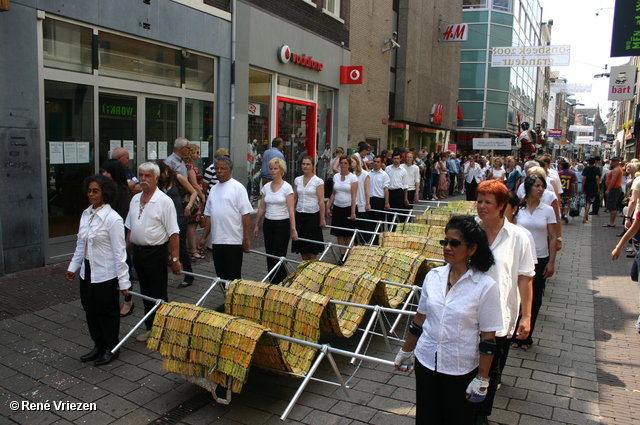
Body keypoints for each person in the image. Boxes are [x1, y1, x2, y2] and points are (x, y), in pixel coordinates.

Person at [394, 215, 502, 424]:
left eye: (455, 243)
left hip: (460, 368)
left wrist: (482, 378)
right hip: (426, 362)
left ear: (472, 249)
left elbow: (488, 338)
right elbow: (420, 318)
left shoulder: (485, 287)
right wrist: (406, 350)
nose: (447, 247)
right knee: (427, 418)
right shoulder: (433, 276)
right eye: (445, 242)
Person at [474, 179, 535, 425]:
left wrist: (527, 316)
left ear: (502, 206)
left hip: (500, 316)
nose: (481, 206)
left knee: (491, 369)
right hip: (467, 314)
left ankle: (481, 415)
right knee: (466, 365)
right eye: (479, 201)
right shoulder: (469, 232)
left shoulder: (519, 236)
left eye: (488, 202)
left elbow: (525, 278)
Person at [66, 175, 131, 366]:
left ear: (105, 193)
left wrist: (124, 282)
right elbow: (81, 244)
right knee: (90, 310)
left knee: (107, 312)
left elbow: (120, 253)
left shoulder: (113, 219)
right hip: (88, 272)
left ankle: (112, 347)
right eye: (89, 191)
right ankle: (98, 345)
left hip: (106, 273)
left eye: (96, 191)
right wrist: (73, 267)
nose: (91, 194)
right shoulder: (86, 214)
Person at [125, 162, 181, 343]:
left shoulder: (164, 201)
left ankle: (162, 329)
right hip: (138, 253)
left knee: (158, 292)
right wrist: (124, 253)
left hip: (156, 252)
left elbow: (173, 232)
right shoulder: (134, 200)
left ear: (156, 178)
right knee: (145, 292)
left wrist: (175, 259)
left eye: (147, 176)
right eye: (141, 175)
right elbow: (130, 229)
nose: (143, 179)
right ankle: (150, 327)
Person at [510, 174, 557, 352]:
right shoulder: (518, 209)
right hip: (519, 257)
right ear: (528, 188)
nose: (540, 189)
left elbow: (552, 237)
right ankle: (514, 332)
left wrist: (551, 261)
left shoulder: (547, 210)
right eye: (537, 186)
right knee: (516, 295)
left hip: (540, 257)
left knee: (534, 297)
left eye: (542, 186)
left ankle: (527, 336)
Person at [197, 156, 253, 288]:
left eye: (223, 168)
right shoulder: (214, 189)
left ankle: (234, 303)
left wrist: (246, 239)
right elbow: (210, 216)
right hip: (217, 240)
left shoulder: (238, 188)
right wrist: (204, 237)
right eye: (216, 168)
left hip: (233, 240)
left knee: (233, 277)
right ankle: (226, 301)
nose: (219, 171)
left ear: (230, 170)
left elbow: (245, 215)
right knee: (221, 276)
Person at [253, 157, 298, 284]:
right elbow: (262, 207)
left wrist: (293, 229)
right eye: (271, 168)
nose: (272, 171)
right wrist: (256, 224)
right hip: (268, 223)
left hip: (282, 224)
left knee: (279, 255)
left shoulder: (287, 188)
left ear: (281, 170)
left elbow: (290, 210)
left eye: (275, 168)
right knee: (270, 254)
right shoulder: (266, 187)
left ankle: (282, 281)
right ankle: (272, 281)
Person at [100, 159, 135, 317]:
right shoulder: (104, 190)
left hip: (118, 236)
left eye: (107, 172)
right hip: (105, 238)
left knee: (123, 267)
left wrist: (126, 242)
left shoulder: (124, 192)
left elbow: (125, 219)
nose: (104, 174)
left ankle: (128, 300)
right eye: (103, 171)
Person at [157, 161, 197, 289]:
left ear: (166, 171)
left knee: (181, 246)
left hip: (180, 216)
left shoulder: (178, 178)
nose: (160, 177)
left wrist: (189, 207)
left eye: (161, 174)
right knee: (163, 246)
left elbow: (193, 192)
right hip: (164, 218)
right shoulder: (159, 183)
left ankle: (189, 275)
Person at [292, 156, 326, 261]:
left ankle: (313, 269)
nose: (305, 166)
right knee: (302, 246)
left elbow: (321, 201)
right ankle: (304, 268)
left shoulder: (318, 181)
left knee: (311, 247)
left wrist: (322, 218)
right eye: (303, 164)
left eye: (308, 164)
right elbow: (294, 198)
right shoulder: (297, 180)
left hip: (312, 216)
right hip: (300, 215)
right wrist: (290, 213)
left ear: (312, 166)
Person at [326, 155, 358, 258]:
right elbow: (333, 193)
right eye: (341, 163)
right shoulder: (336, 176)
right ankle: (342, 254)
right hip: (337, 207)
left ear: (349, 165)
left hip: (348, 207)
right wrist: (328, 207)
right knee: (339, 233)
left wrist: (353, 212)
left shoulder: (353, 178)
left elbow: (354, 196)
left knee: (348, 233)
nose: (343, 165)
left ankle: (350, 254)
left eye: (345, 163)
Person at [183, 144, 206, 260]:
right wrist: (202, 196)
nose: (199, 155)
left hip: (195, 196)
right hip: (195, 198)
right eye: (197, 152)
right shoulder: (190, 168)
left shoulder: (188, 166)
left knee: (193, 224)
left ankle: (192, 249)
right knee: (192, 224)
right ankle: (192, 250)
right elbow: (194, 184)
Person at [350, 154, 371, 241]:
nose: (350, 164)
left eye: (352, 162)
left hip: (360, 200)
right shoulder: (349, 174)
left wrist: (367, 203)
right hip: (351, 202)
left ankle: (363, 243)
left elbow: (366, 189)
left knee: (362, 226)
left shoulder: (364, 174)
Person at [369, 155, 391, 234]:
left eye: (378, 162)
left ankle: (378, 240)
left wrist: (386, 202)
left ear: (381, 163)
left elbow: (386, 189)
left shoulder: (384, 175)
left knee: (379, 222)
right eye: (374, 161)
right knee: (370, 222)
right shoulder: (369, 174)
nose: (376, 163)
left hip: (379, 200)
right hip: (370, 199)